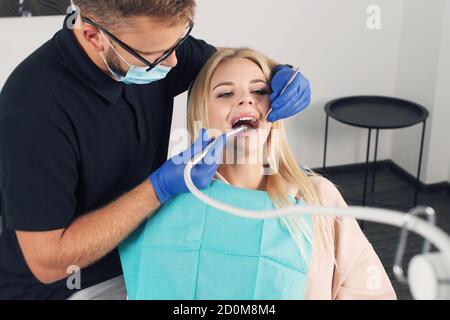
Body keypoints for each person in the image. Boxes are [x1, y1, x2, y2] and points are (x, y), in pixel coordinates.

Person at [0, 1, 312, 299]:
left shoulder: (153, 44)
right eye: (155, 56)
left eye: (178, 43)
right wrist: (158, 189)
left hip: (140, 249)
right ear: (94, 36)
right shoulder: (35, 114)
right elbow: (48, 262)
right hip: (70, 286)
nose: (175, 63)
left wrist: (277, 73)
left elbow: (226, 68)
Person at [119, 48, 397, 300]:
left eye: (259, 91)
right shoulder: (168, 204)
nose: (245, 101)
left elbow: (372, 293)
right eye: (226, 93)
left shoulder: (316, 197)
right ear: (201, 114)